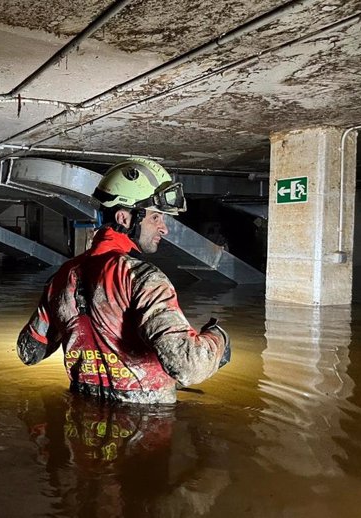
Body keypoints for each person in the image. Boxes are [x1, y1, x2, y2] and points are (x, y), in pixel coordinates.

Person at [16, 158, 231, 405]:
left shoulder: (63, 276)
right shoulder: (144, 278)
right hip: (146, 425)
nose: (164, 229)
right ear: (124, 218)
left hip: (82, 418)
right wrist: (218, 339)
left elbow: (29, 352)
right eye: (155, 218)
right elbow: (188, 366)